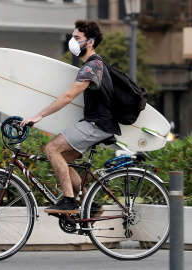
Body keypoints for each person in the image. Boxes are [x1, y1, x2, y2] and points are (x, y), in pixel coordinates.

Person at [20, 19, 121, 214]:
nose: (72, 42)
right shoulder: (95, 64)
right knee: (62, 158)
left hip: (97, 124)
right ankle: (90, 206)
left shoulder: (92, 66)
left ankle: (69, 201)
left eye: (77, 38)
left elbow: (68, 96)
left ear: (89, 42)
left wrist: (39, 116)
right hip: (99, 123)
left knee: (52, 148)